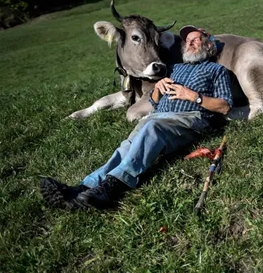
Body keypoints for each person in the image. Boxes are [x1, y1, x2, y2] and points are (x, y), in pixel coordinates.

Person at [40, 26, 233, 210]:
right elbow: (156, 103)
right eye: (187, 41)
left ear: (208, 45)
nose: (189, 43)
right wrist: (158, 90)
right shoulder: (174, 69)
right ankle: (81, 188)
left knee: (152, 127)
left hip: (190, 119)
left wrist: (193, 96)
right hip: (159, 117)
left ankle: (113, 186)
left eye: (195, 40)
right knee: (126, 145)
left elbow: (224, 106)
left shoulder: (217, 71)